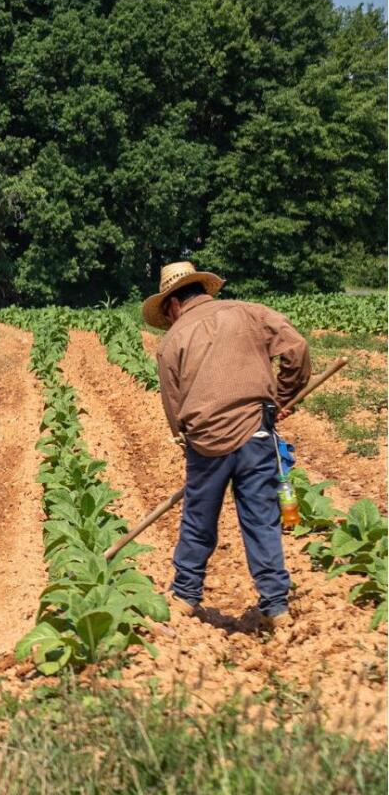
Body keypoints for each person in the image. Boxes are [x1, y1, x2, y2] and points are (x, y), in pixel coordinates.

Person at [145, 261, 310, 634]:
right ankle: (276, 606)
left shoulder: (172, 341)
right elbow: (296, 349)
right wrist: (281, 397)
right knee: (261, 521)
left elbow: (174, 407)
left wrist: (186, 440)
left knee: (199, 522)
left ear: (172, 304)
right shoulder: (249, 313)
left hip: (206, 442)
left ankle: (186, 597)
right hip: (256, 434)